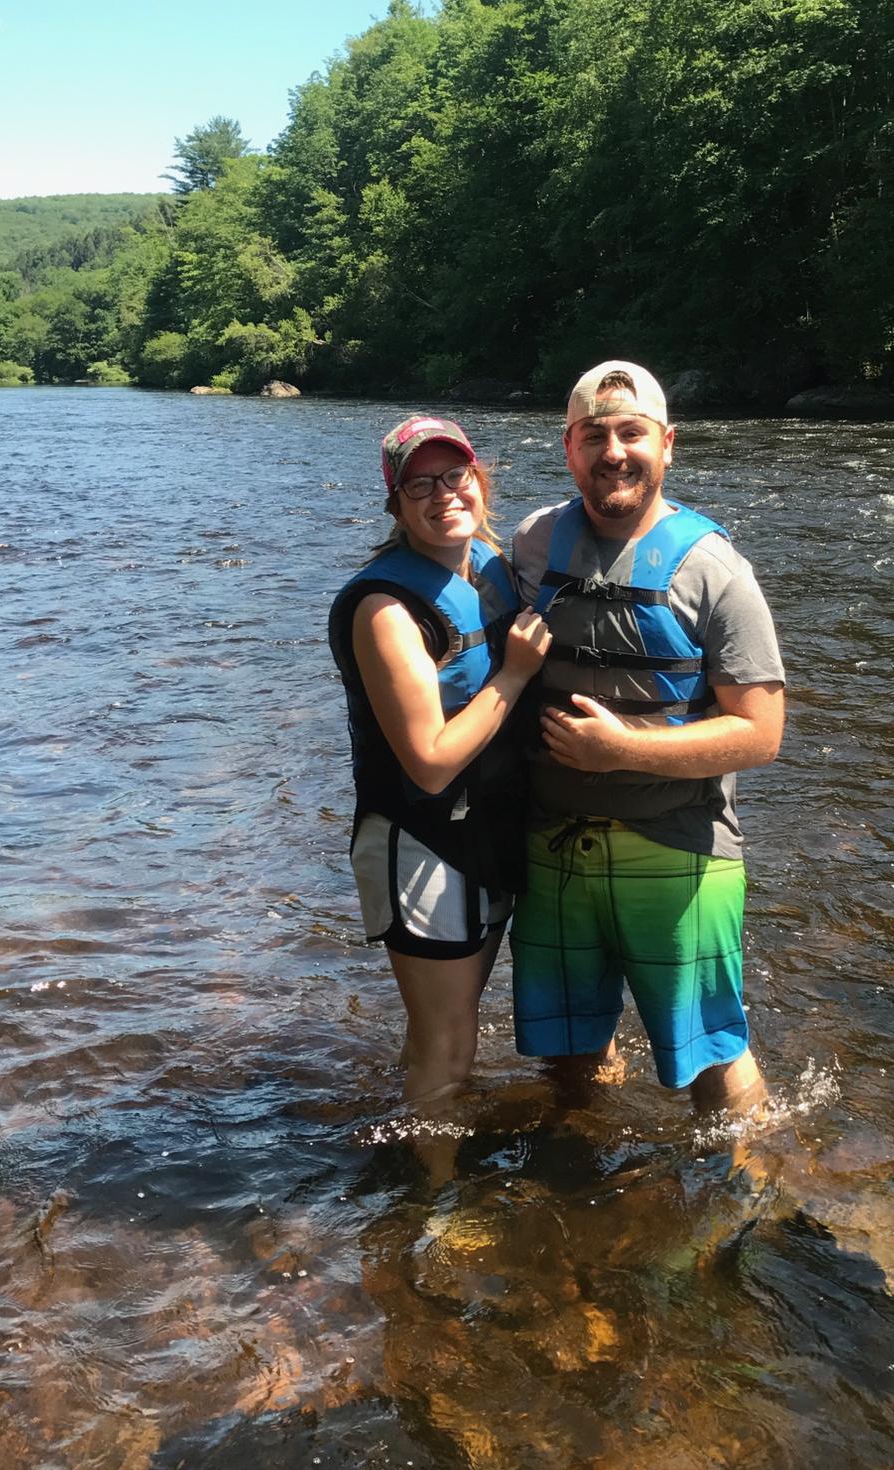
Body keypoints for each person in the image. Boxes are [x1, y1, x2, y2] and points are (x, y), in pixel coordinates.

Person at [508, 360, 786, 1114]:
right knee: (569, 1058)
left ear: (668, 445)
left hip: (677, 846)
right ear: (568, 449)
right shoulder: (533, 545)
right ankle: (588, 1198)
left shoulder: (715, 569)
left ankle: (750, 1208)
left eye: (631, 433)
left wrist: (623, 751)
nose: (613, 451)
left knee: (712, 1059)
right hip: (552, 850)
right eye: (593, 435)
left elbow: (761, 735)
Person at [328, 415, 549, 1106]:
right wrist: (512, 676)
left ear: (479, 482)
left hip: (491, 829)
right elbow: (427, 762)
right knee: (447, 1039)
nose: (443, 494)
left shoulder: (489, 564)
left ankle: (429, 1163)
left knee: (448, 1029)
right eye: (419, 484)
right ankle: (437, 1201)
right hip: (422, 840)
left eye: (455, 476)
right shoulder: (387, 608)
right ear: (394, 503)